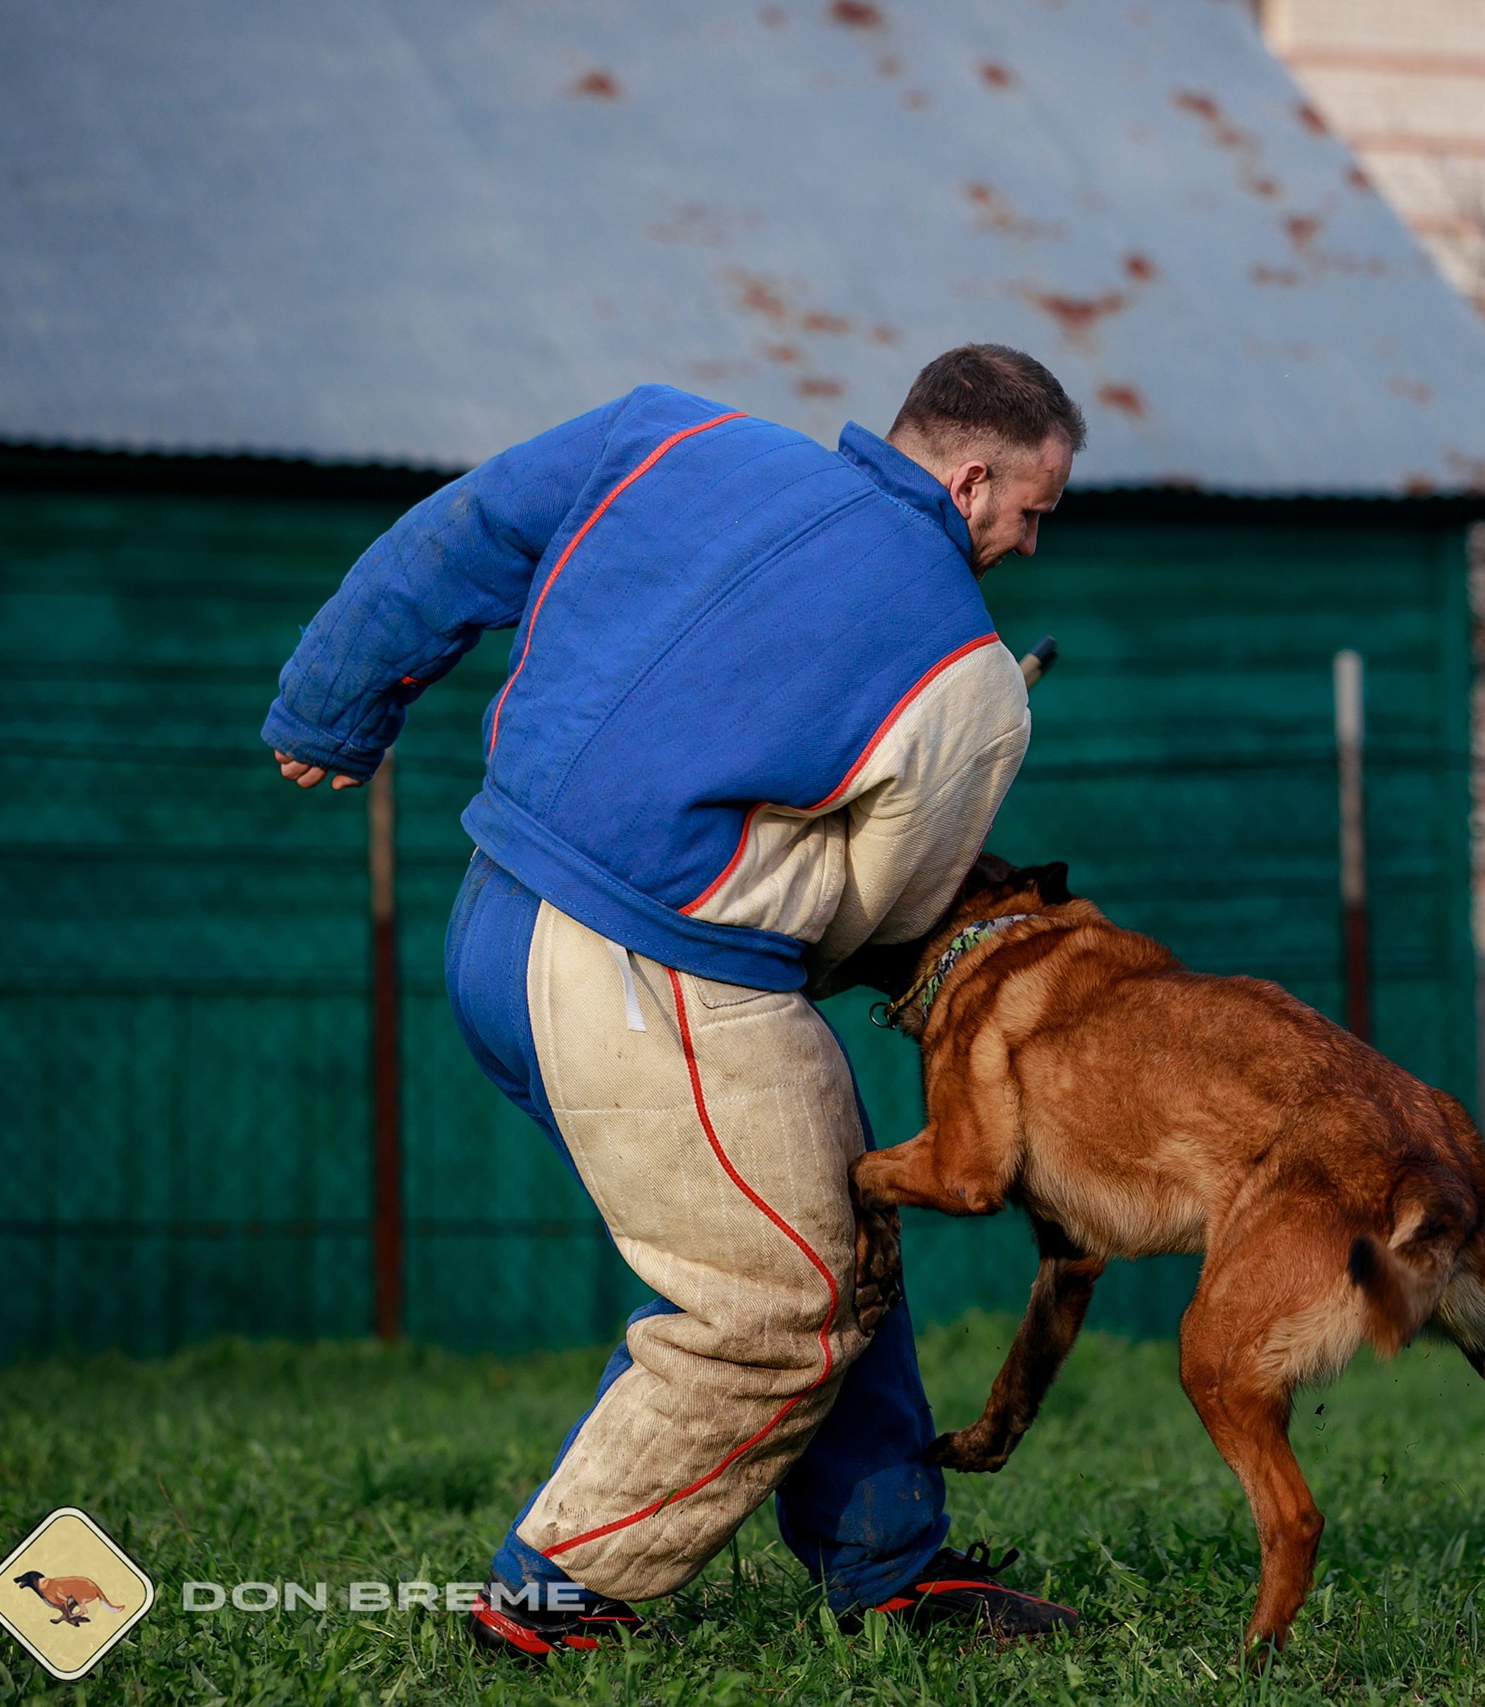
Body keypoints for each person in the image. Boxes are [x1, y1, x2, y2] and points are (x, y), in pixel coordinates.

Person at [262, 346, 1085, 1657]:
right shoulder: (973, 678)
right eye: (1033, 513)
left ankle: (889, 1564)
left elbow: (460, 535)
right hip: (653, 977)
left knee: (838, 1221)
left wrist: (333, 697)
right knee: (773, 1305)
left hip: (492, 921)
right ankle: (549, 1603)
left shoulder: (669, 438)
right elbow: (876, 916)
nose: (1029, 547)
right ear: (975, 479)